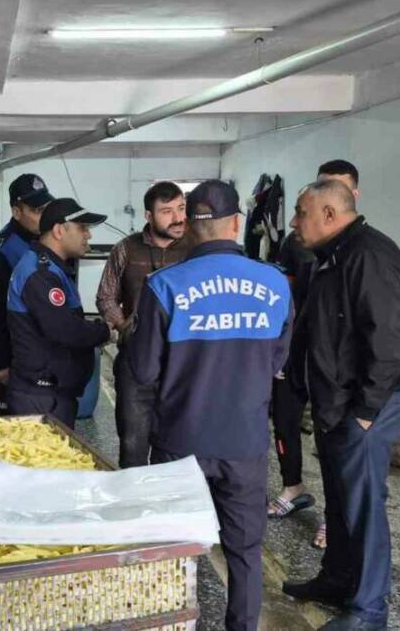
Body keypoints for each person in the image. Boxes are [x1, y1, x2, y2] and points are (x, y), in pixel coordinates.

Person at [129, 180, 293, 631]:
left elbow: (142, 371)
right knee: (245, 551)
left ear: (188, 226)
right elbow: (276, 361)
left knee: (174, 548)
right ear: (237, 223)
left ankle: (172, 623)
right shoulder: (275, 284)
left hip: (181, 441)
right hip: (245, 442)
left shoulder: (164, 286)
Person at [281, 179, 400, 631]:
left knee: (363, 507)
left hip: (365, 404)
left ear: (329, 214)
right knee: (341, 500)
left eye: (301, 212)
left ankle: (369, 611)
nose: (293, 221)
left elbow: (389, 342)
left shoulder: (368, 256)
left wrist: (365, 411)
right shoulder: (331, 255)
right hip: (337, 401)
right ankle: (337, 581)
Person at [269, 160, 361, 549]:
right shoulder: (297, 241)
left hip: (335, 358)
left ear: (351, 196)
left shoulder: (360, 250)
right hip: (298, 346)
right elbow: (283, 294)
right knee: (284, 418)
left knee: (331, 436)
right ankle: (293, 487)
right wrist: (279, 345)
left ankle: (334, 514)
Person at [95, 181, 190, 467]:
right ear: (149, 215)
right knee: (133, 443)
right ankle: (133, 493)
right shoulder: (126, 249)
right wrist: (125, 328)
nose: (177, 218)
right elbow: (106, 296)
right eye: (167, 211)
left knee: (178, 445)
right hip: (137, 361)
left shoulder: (195, 248)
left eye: (181, 208)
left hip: (184, 362)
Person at [7, 198, 111, 428]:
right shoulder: (40, 273)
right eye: (82, 227)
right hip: (40, 397)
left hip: (50, 394)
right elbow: (65, 329)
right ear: (59, 230)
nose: (88, 235)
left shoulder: (51, 268)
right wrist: (106, 331)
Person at [0, 174, 55, 414]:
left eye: (46, 209)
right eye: (36, 210)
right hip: (15, 361)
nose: (44, 216)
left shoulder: (46, 244)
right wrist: (0, 364)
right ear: (16, 211)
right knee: (13, 428)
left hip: (44, 358)